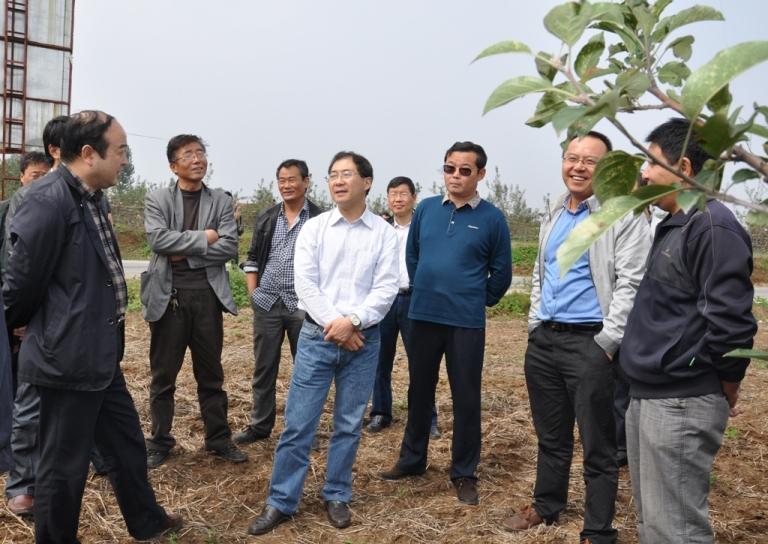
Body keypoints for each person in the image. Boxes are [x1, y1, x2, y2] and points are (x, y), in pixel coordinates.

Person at [3, 110, 181, 542]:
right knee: (63, 467)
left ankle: (147, 522)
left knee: (126, 444)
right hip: (65, 358)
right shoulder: (46, 201)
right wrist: (33, 327)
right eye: (120, 151)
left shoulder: (92, 197)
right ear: (88, 153)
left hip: (99, 353)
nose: (125, 160)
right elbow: (20, 285)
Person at [503, 132, 650, 544]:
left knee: (598, 444)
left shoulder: (622, 215)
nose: (578, 167)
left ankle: (597, 529)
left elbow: (631, 284)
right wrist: (534, 324)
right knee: (551, 435)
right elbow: (541, 273)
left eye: (590, 161)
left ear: (607, 169)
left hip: (590, 343)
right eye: (572, 158)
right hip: (545, 341)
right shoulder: (554, 213)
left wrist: (607, 343)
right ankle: (547, 504)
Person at [620, 118, 757, 544]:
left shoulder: (713, 226)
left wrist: (725, 382)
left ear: (683, 167)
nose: (644, 173)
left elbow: (731, 324)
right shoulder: (677, 224)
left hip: (680, 399)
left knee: (676, 528)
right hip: (651, 393)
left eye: (651, 162)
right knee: (653, 521)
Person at [247, 151, 398, 535]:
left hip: (363, 341)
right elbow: (305, 284)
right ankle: (281, 500)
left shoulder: (383, 233)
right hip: (318, 337)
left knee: (348, 424)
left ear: (367, 182)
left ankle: (337, 493)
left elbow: (386, 288)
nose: (338, 181)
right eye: (333, 175)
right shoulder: (315, 229)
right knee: (298, 424)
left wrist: (354, 322)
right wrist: (337, 324)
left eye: (347, 174)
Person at [379, 141, 512, 506]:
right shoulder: (425, 209)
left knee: (466, 396)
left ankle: (464, 472)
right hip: (423, 315)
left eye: (465, 170)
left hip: (465, 322)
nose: (455, 176)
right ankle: (412, 459)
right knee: (419, 391)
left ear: (480, 174)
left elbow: (501, 273)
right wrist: (426, 289)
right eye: (449, 168)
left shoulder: (493, 219)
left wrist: (475, 298)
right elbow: (413, 255)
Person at [141, 134, 246, 468]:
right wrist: (205, 237)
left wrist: (183, 253)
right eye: (188, 154)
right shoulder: (157, 198)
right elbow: (158, 241)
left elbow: (229, 246)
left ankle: (218, 439)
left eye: (201, 153)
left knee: (211, 375)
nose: (197, 159)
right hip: (168, 297)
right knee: (163, 377)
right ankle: (160, 441)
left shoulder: (220, 200)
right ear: (174, 165)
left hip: (207, 297)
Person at [234, 159, 322, 445]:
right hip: (268, 302)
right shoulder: (268, 216)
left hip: (303, 306)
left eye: (292, 179)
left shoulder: (320, 219)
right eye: (281, 180)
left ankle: (302, 429)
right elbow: (252, 257)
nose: (286, 185)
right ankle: (260, 425)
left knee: (306, 370)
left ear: (306, 181)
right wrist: (253, 294)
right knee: (264, 368)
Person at [366, 176, 439, 437]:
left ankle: (426, 418)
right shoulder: (380, 228)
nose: (397, 199)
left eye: (403, 194)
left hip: (414, 299)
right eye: (393, 194)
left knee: (420, 362)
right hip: (384, 301)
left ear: (413, 198)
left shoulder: (425, 227)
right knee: (379, 360)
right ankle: (380, 412)